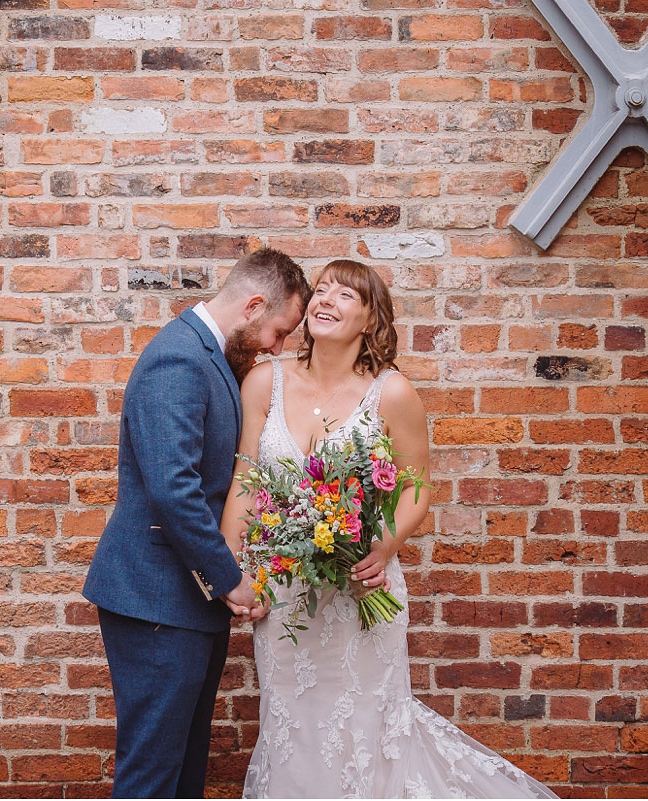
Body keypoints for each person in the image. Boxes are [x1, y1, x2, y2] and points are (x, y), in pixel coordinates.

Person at [221, 259, 559, 799]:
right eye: (321, 289)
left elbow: (417, 487)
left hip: (361, 587)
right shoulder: (264, 381)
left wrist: (384, 546)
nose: (325, 299)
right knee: (292, 727)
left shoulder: (392, 392)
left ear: (371, 320)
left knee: (366, 731)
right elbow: (246, 480)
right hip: (284, 592)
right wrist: (234, 570)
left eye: (345, 295)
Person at [82, 247, 311, 798]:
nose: (277, 349)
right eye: (279, 332)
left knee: (183, 770)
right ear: (254, 306)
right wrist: (230, 578)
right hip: (155, 599)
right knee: (153, 774)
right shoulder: (179, 358)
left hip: (182, 599)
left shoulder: (210, 356)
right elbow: (173, 489)